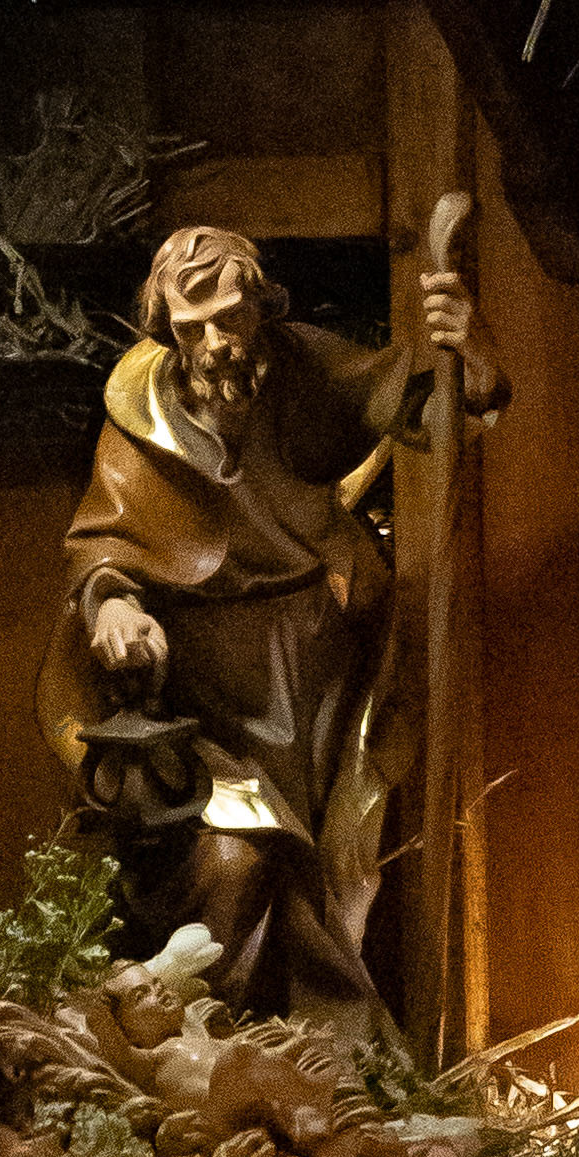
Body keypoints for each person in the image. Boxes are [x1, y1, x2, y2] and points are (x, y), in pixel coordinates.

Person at [43, 220, 502, 1026]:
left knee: (339, 864)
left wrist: (475, 357)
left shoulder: (304, 368)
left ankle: (324, 1055)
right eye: (193, 328)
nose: (216, 344)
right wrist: (113, 601)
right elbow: (104, 541)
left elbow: (435, 414)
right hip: (202, 684)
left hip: (316, 668)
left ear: (261, 306)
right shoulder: (141, 410)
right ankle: (229, 1040)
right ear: (166, 328)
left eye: (231, 318)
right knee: (241, 854)